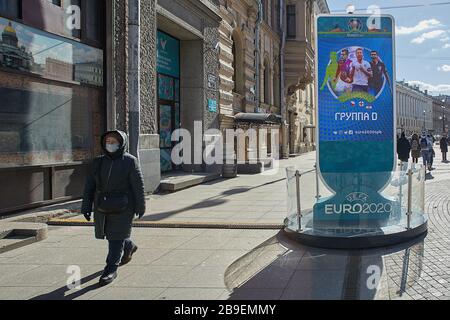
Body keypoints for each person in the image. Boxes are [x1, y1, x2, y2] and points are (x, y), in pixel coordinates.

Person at [81, 130, 146, 286]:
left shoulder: (130, 161)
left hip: (124, 205)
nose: (110, 144)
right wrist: (86, 206)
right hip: (102, 205)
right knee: (113, 233)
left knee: (114, 238)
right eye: (108, 141)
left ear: (121, 142)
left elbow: (138, 185)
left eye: (114, 141)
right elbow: (90, 185)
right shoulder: (98, 162)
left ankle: (111, 269)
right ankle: (129, 245)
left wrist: (140, 205)